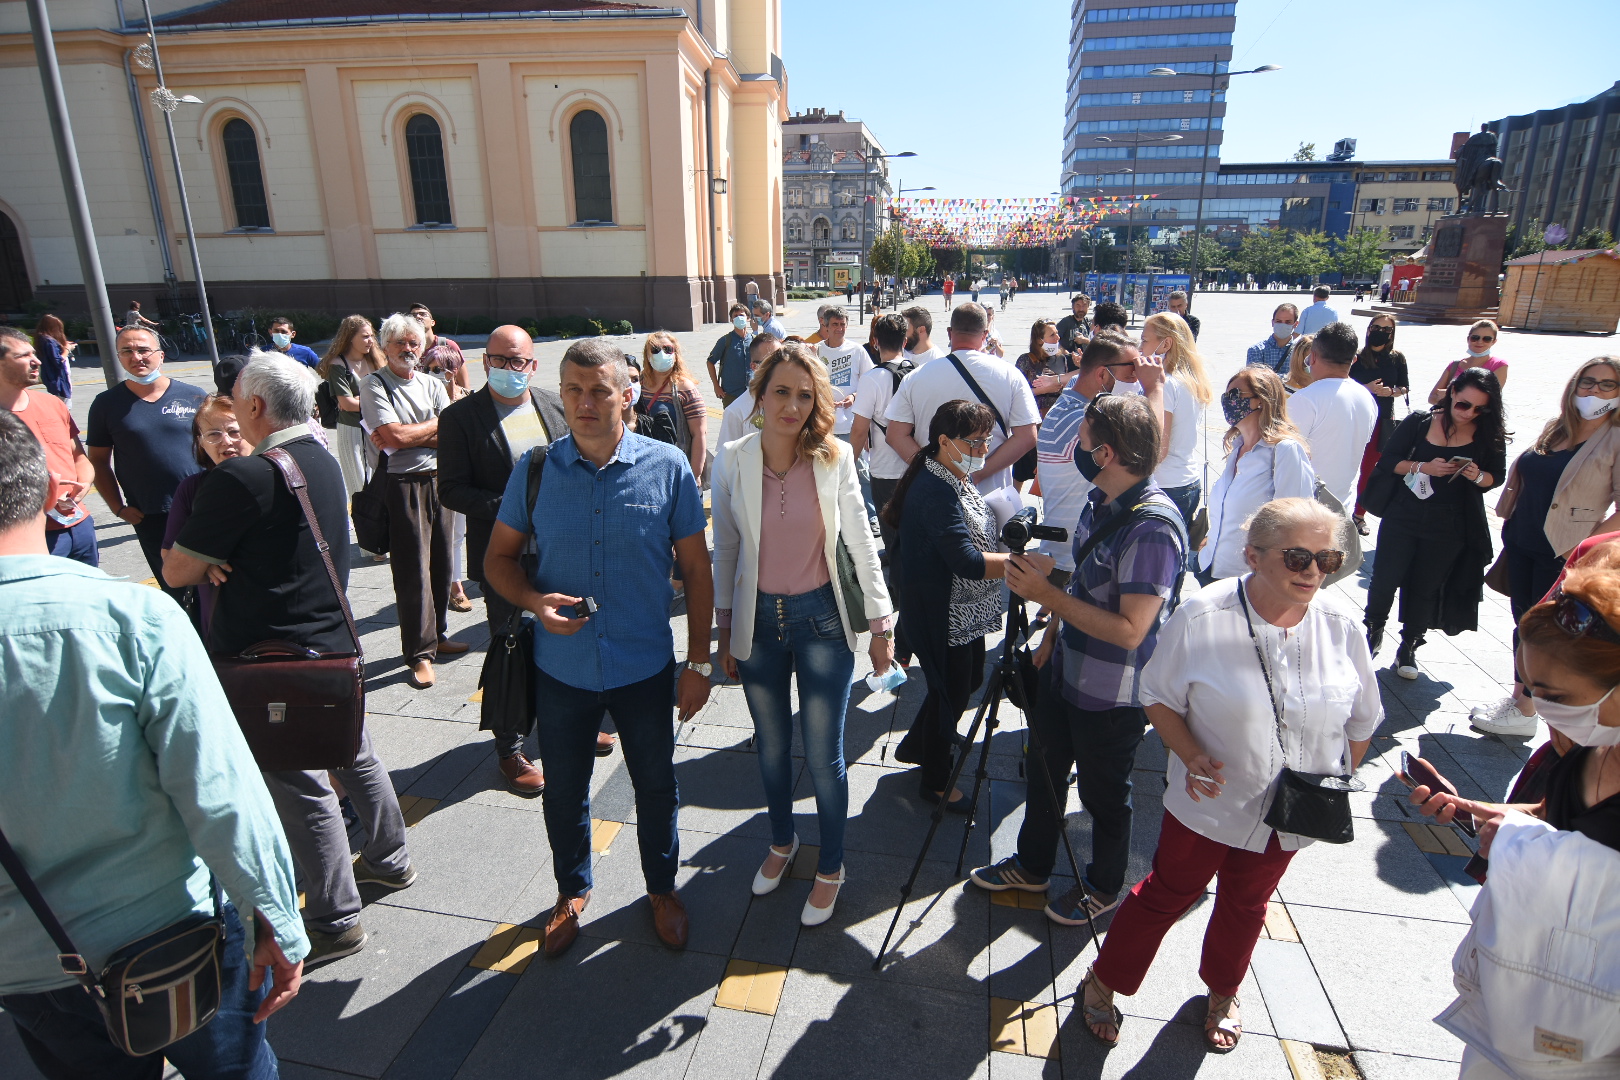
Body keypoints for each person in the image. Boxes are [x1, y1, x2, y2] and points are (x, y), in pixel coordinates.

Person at [0, 409, 308, 1078]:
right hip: (170, 936)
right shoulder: (127, 616)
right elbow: (219, 791)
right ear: (56, 490)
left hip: (26, 964)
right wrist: (277, 918)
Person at [1074, 497, 1378, 1049]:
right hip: (1210, 802)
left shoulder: (1343, 626)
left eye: (1327, 560)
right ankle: (1104, 980)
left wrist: (1330, 787)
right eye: (1297, 558)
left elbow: (1363, 721)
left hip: (1291, 812)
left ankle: (1223, 991)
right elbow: (1156, 695)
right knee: (1167, 892)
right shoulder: (1204, 616)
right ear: (1253, 557)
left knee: (1248, 903)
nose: (1313, 572)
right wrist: (1189, 754)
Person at [164, 353, 415, 969]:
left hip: (268, 659)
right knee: (353, 753)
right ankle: (391, 860)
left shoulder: (243, 477)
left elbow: (176, 569)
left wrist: (212, 556)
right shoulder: (322, 458)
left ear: (253, 406)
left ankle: (335, 917)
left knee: (300, 786)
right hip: (329, 644)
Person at [483, 338, 714, 958]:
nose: (585, 403)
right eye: (573, 390)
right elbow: (498, 560)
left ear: (627, 393)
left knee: (658, 786)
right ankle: (571, 890)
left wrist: (699, 664)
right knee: (563, 792)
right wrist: (534, 604)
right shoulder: (536, 470)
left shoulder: (666, 468)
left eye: (599, 390)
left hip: (644, 665)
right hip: (562, 670)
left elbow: (697, 573)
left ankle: (661, 889)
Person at [974, 392, 1186, 928]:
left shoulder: (1152, 529)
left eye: (1083, 443)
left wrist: (1048, 597)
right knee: (1044, 772)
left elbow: (1132, 630)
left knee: (1104, 795)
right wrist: (1051, 633)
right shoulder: (1100, 501)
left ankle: (1104, 885)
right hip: (1067, 669)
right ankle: (1033, 865)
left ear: (1109, 454)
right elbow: (1093, 587)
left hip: (1112, 694)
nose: (1076, 451)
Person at [1410, 557, 1620, 1080]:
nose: (1537, 707)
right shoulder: (1586, 743)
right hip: (1533, 998)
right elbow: (1558, 817)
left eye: (1553, 695)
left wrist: (1523, 844)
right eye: (1529, 686)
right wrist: (1484, 812)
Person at [711, 344, 895, 926]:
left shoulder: (833, 457)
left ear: (817, 402)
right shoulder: (733, 457)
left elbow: (861, 541)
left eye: (804, 394)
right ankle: (782, 841)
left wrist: (880, 621)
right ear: (759, 397)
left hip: (822, 620)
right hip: (758, 623)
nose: (792, 405)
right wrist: (722, 628)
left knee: (823, 755)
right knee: (769, 748)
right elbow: (728, 550)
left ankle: (832, 865)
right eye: (781, 391)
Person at [438, 325, 571, 795]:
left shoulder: (554, 405)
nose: (511, 370)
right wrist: (514, 512)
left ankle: (569, 722)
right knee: (512, 647)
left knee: (566, 639)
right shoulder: (461, 418)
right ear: (485, 362)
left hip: (560, 549)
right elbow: (450, 489)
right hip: (504, 555)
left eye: (520, 362)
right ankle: (510, 747)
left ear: (533, 365)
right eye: (501, 360)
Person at [1470, 358, 1620, 737]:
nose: (1595, 391)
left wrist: (1589, 549)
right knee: (1524, 623)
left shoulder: (1615, 439)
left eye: (1607, 385)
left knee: (1546, 633)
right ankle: (1522, 700)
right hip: (1523, 541)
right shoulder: (1559, 428)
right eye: (1588, 382)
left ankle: (1530, 709)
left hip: (1565, 552)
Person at [885, 400, 1012, 808]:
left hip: (964, 612)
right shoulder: (935, 488)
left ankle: (918, 745)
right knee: (952, 694)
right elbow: (968, 562)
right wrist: (1021, 565)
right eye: (974, 442)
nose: (983, 449)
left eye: (986, 441)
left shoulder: (948, 472)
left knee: (966, 682)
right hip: (945, 612)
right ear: (944, 441)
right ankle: (936, 779)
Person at [1363, 368, 1506, 678]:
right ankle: (1371, 632)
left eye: (1481, 408)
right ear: (1452, 392)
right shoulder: (1420, 421)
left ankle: (1409, 647)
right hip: (1404, 513)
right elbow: (1388, 461)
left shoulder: (1486, 433)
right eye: (1464, 404)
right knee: (1385, 578)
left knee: (1425, 587)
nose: (1470, 414)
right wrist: (1422, 466)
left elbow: (1496, 477)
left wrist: (1476, 475)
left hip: (1450, 522)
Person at [360, 312, 470, 689]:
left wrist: (411, 435)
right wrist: (428, 430)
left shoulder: (432, 382)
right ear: (385, 347)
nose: (408, 349)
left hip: (441, 479)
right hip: (402, 484)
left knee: (442, 562)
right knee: (413, 572)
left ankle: (438, 635)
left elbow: (451, 433)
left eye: (414, 342)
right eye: (400, 343)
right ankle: (419, 655)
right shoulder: (374, 384)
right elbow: (391, 438)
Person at [86, 326, 208, 603]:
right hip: (151, 515)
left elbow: (217, 449)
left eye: (143, 350)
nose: (136, 357)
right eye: (127, 351)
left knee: (216, 581)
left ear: (161, 356)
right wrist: (119, 508)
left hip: (201, 507)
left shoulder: (194, 396)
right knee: (175, 591)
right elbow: (98, 462)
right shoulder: (106, 404)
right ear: (119, 357)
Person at [884, 303, 1041, 497]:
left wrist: (935, 473)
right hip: (991, 497)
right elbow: (1027, 437)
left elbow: (895, 435)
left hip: (932, 492)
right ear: (984, 335)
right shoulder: (1010, 375)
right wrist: (978, 475)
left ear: (950, 333)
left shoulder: (916, 377)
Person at [1035, 332, 1143, 582]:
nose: (1137, 381)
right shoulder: (1082, 420)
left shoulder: (1070, 404)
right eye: (1131, 373)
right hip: (1074, 563)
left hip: (1065, 555)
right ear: (1103, 375)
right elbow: (1147, 455)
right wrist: (1157, 389)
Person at [1201, 366, 1316, 582]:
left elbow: (1295, 524)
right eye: (1226, 395)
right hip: (1212, 568)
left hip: (1251, 579)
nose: (1228, 401)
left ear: (1262, 400)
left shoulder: (1284, 451)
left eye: (1235, 395)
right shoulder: (1237, 447)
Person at [0, 328, 97, 566]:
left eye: (34, 353)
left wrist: (82, 487)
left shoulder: (52, 403)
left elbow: (78, 457)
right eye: (23, 356)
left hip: (78, 525)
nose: (37, 361)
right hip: (27, 537)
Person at [161, 394, 251, 634]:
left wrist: (201, 557)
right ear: (201, 443)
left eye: (234, 431)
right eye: (213, 434)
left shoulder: (272, 475)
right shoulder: (192, 488)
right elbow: (168, 556)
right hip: (219, 613)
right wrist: (202, 565)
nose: (226, 442)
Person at [1285, 322, 1377, 511]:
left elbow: (1284, 458)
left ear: (1314, 357)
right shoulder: (1367, 398)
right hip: (1342, 506)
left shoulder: (1305, 399)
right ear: (1353, 360)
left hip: (1303, 511)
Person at [1141, 311, 1214, 534]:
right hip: (1186, 480)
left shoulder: (1167, 384)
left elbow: (1159, 448)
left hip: (1166, 485)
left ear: (1165, 344)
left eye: (1144, 340)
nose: (1139, 346)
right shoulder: (1189, 379)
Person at [319, 315, 386, 558]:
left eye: (372, 336)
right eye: (365, 336)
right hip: (352, 431)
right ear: (350, 338)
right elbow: (346, 404)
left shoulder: (376, 360)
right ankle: (369, 545)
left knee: (381, 482)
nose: (370, 341)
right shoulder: (339, 364)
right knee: (358, 485)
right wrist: (376, 403)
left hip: (378, 429)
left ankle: (384, 538)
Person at [849, 313, 913, 558]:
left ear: (875, 341)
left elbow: (858, 431)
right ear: (904, 341)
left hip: (885, 469)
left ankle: (898, 586)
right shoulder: (919, 373)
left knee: (891, 531)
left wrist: (849, 466)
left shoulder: (872, 379)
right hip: (915, 465)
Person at [817, 305, 877, 530]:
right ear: (825, 326)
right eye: (835, 325)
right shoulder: (817, 352)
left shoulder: (857, 351)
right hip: (825, 424)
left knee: (861, 471)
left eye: (843, 324)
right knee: (827, 470)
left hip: (852, 423)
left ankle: (871, 516)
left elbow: (870, 382)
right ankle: (832, 517)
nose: (840, 329)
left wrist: (854, 396)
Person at [1349, 314, 1410, 534]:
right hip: (1355, 419)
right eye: (1376, 327)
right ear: (1368, 329)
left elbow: (1404, 387)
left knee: (1369, 470)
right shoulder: (1355, 357)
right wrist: (1366, 388)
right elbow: (1343, 383)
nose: (1380, 332)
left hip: (1381, 421)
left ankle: (1358, 514)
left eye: (1386, 329)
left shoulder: (1397, 358)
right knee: (1346, 466)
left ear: (1392, 333)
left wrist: (1392, 392)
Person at [1013, 318, 1074, 487]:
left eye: (1057, 334)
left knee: (1050, 473)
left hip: (1055, 424)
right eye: (1052, 334)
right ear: (1040, 339)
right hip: (1033, 422)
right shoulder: (1025, 360)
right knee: (1022, 470)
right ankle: (1014, 508)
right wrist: (1040, 391)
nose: (1057, 338)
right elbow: (1016, 393)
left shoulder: (1063, 359)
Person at [719, 332, 781, 446]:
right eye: (770, 362)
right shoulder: (736, 412)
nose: (779, 366)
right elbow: (726, 458)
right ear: (754, 367)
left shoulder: (793, 402)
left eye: (782, 359)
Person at [1429, 320, 1508, 404]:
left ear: (1494, 342)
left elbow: (1489, 400)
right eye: (1475, 337)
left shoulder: (1499, 365)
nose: (1480, 342)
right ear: (1468, 339)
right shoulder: (1454, 365)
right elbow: (1431, 398)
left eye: (1487, 339)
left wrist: (1450, 394)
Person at [707, 303, 754, 407]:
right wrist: (716, 386)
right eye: (735, 316)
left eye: (741, 315)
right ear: (731, 320)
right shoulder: (725, 341)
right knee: (733, 422)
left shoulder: (754, 341)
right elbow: (710, 362)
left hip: (752, 393)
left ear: (748, 318)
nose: (739, 318)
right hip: (731, 394)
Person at [407, 302, 466, 374]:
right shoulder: (406, 348)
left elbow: (464, 384)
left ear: (433, 322)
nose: (418, 317)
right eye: (413, 315)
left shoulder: (448, 345)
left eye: (423, 314)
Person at [1244, 303, 1299, 374]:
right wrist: (1289, 379)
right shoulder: (1256, 350)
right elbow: (1255, 380)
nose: (1283, 325)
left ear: (1296, 324)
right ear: (1272, 323)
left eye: (1288, 322)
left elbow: (1305, 379)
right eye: (1279, 321)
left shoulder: (1300, 351)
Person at [31, 314, 75, 401]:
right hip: (58, 378)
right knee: (65, 405)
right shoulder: (49, 342)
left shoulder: (41, 339)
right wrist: (67, 349)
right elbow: (58, 362)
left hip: (50, 377)